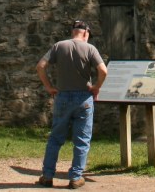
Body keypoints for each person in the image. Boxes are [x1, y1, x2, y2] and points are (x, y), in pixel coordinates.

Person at [36, 20, 108, 189]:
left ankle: (47, 176)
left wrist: (49, 87)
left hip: (62, 96)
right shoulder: (90, 48)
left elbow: (40, 66)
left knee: (55, 138)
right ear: (86, 33)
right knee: (82, 140)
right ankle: (75, 178)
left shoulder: (59, 46)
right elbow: (103, 71)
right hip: (84, 98)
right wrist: (96, 87)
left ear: (73, 31)